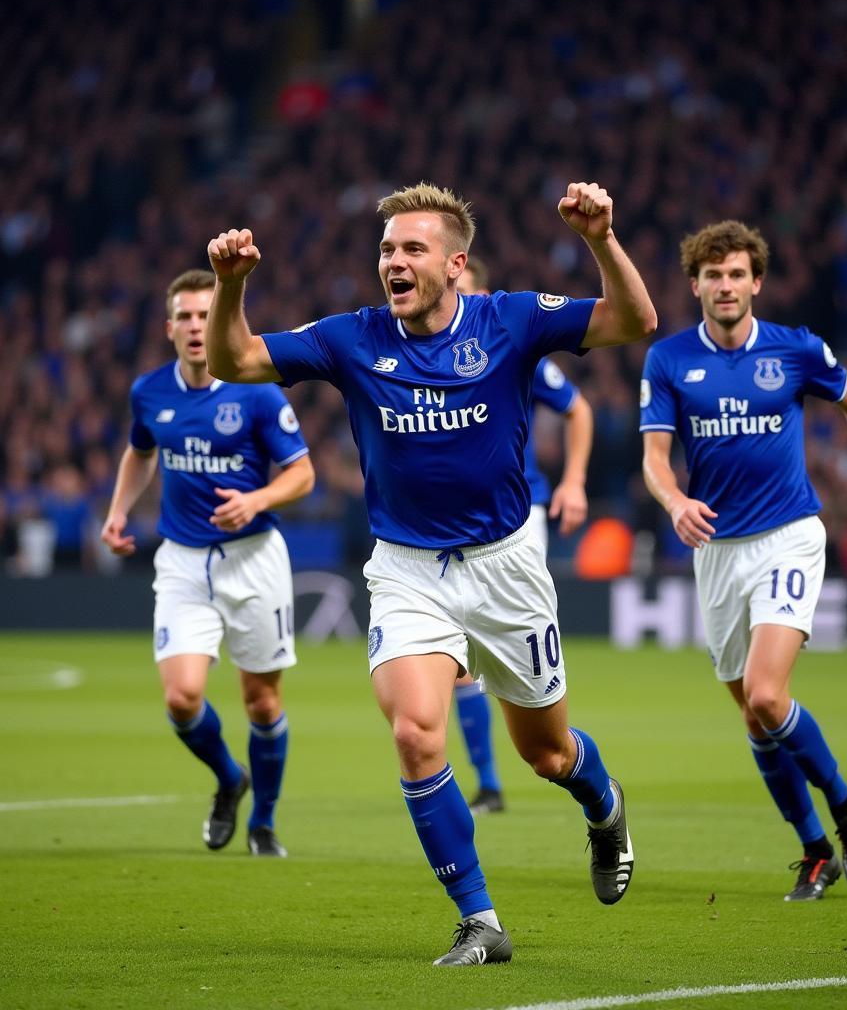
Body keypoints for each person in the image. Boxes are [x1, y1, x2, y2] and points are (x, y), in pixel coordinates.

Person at [205, 181, 656, 966]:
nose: (394, 261)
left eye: (412, 249)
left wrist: (601, 240)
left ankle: (604, 803)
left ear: (455, 264)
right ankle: (479, 918)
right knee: (417, 733)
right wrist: (231, 286)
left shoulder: (509, 318)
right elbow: (235, 357)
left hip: (507, 566)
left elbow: (634, 321)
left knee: (546, 755)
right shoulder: (352, 337)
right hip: (409, 569)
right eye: (386, 249)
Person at [640, 221, 847, 903]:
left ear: (756, 281)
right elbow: (653, 457)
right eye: (713, 275)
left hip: (788, 535)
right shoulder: (669, 360)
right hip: (716, 549)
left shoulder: (796, 349)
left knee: (768, 694)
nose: (725, 286)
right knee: (752, 714)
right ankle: (813, 849)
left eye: (737, 274)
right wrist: (675, 500)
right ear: (695, 284)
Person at [101, 269, 315, 858]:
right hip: (183, 562)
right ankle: (229, 778)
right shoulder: (149, 391)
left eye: (206, 315)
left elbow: (302, 473)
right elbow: (139, 453)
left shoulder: (256, 391)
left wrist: (258, 499)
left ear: (219, 321)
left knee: (262, 702)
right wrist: (118, 511)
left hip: (254, 561)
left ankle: (264, 823)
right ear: (170, 328)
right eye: (187, 318)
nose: (197, 327)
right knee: (181, 697)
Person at [453, 255, 595, 816]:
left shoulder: (504, 342)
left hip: (518, 517)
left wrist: (576, 482)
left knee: (506, 659)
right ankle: (488, 783)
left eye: (460, 284)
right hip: (451, 529)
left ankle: (557, 750)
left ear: (481, 290)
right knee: (458, 663)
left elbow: (578, 409)